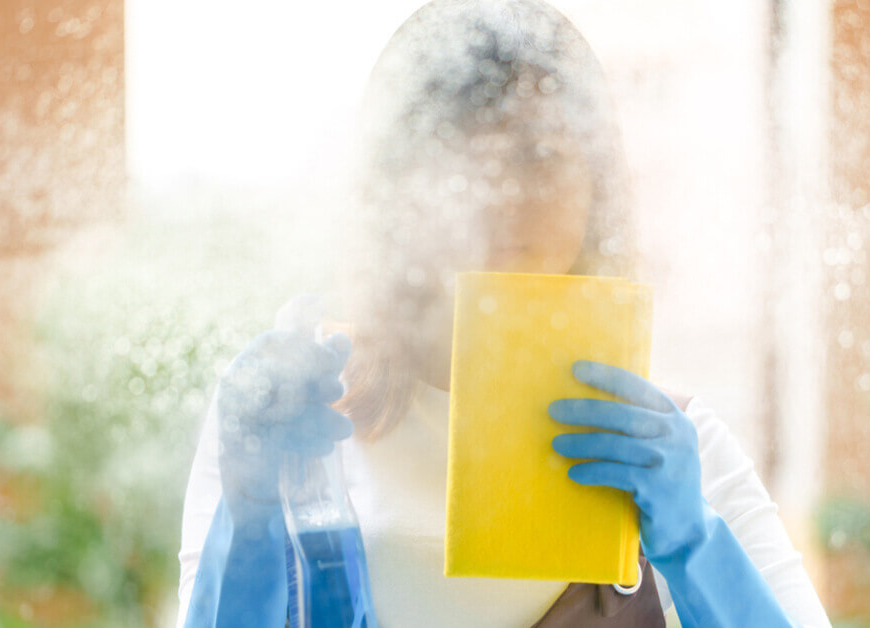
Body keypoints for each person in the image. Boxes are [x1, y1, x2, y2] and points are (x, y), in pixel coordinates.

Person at [177, 0, 833, 626]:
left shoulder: (676, 452)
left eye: (538, 155)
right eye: (456, 157)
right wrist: (251, 515)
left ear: (597, 187)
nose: (498, 196)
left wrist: (695, 545)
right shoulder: (294, 428)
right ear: (390, 191)